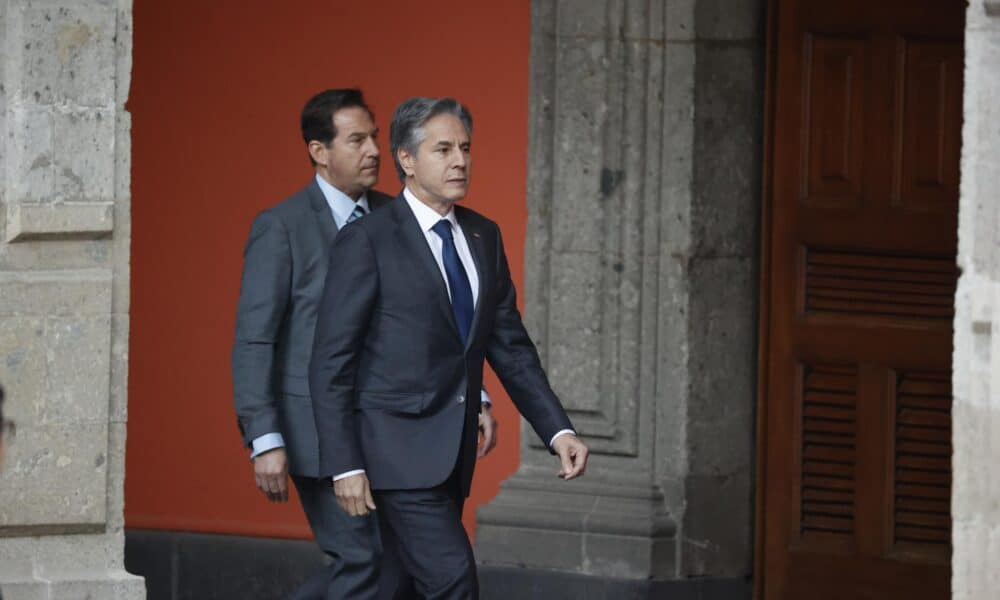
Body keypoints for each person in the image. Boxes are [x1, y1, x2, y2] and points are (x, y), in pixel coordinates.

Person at [309, 97, 590, 600]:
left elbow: (510, 347)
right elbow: (332, 360)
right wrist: (344, 464)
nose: (460, 159)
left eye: (465, 147)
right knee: (453, 580)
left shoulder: (483, 235)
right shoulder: (368, 239)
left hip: (452, 453)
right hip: (393, 454)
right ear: (407, 160)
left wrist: (557, 429)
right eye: (443, 149)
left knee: (396, 589)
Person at [231, 89, 498, 599]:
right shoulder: (281, 227)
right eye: (357, 140)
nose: (374, 149)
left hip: (394, 434)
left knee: (392, 569)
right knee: (364, 559)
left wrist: (475, 394)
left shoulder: (402, 214)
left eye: (374, 136)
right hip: (319, 433)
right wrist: (265, 437)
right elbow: (254, 339)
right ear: (319, 151)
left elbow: (435, 323)